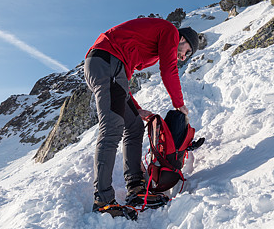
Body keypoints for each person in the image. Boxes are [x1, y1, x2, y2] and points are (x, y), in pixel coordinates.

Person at [84, 17, 199, 217]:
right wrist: (179, 103)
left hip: (108, 65)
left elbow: (122, 79)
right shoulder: (170, 31)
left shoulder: (152, 45)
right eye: (187, 50)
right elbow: (168, 70)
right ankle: (102, 200)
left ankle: (136, 188)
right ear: (182, 38)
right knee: (111, 129)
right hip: (107, 61)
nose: (183, 57)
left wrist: (136, 108)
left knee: (134, 126)